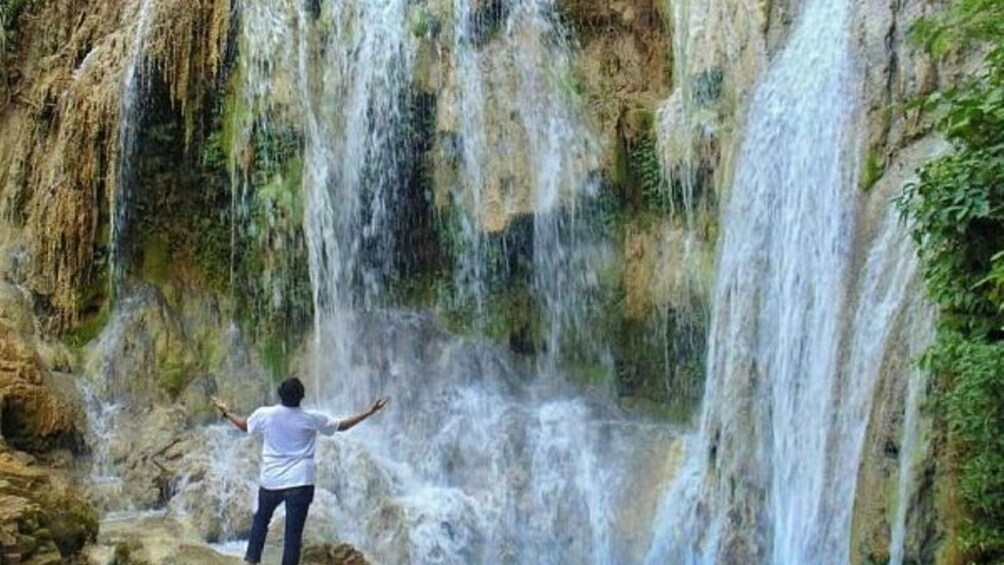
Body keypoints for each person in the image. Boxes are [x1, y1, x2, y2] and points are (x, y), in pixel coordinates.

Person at [212, 378, 388, 565]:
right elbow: (342, 426)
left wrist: (227, 413)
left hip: (271, 480)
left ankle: (251, 560)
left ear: (280, 395)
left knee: (260, 522)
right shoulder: (311, 417)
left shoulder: (266, 414)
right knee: (293, 536)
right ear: (302, 396)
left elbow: (244, 425)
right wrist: (370, 411)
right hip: (300, 482)